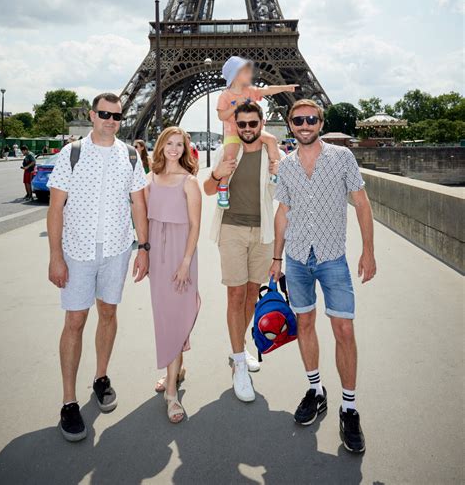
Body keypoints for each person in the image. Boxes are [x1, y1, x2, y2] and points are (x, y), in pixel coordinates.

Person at [271, 99, 376, 454]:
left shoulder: (342, 158)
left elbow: (361, 203)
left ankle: (349, 407)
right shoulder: (285, 166)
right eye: (298, 119)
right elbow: (282, 213)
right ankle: (316, 390)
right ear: (289, 122)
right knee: (304, 324)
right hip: (297, 257)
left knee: (344, 328)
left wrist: (368, 250)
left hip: (332, 257)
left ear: (320, 121)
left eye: (311, 119)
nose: (304, 124)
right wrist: (276, 259)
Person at [47, 92, 149, 442]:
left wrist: (144, 247)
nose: (110, 120)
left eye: (116, 116)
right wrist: (55, 255)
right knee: (75, 320)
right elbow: (56, 208)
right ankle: (68, 400)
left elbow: (139, 204)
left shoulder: (131, 156)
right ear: (92, 115)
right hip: (76, 250)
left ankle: (101, 377)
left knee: (108, 313)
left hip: (117, 248)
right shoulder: (71, 153)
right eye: (104, 114)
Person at [204, 101, 277, 403]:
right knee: (235, 295)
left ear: (261, 123)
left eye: (253, 124)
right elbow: (208, 189)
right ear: (235, 125)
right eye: (242, 124)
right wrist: (218, 174)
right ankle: (238, 364)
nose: (247, 129)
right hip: (232, 229)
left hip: (263, 233)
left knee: (250, 294)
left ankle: (240, 346)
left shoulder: (275, 154)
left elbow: (284, 192)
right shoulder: (227, 152)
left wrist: (275, 156)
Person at [146, 127, 201, 423]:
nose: (174, 148)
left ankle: (171, 394)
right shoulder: (150, 179)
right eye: (170, 143)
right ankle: (173, 368)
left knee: (178, 314)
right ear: (161, 145)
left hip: (182, 256)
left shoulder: (189, 182)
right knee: (164, 316)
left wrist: (186, 262)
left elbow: (195, 226)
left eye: (180, 144)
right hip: (158, 257)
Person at [216, 56, 297, 208]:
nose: (250, 74)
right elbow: (221, 116)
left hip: (253, 130)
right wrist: (235, 106)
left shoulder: (250, 91)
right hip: (233, 132)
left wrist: (285, 88)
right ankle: (223, 189)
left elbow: (267, 90)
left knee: (272, 139)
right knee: (229, 159)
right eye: (246, 71)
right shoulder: (225, 95)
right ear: (235, 74)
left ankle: (274, 172)